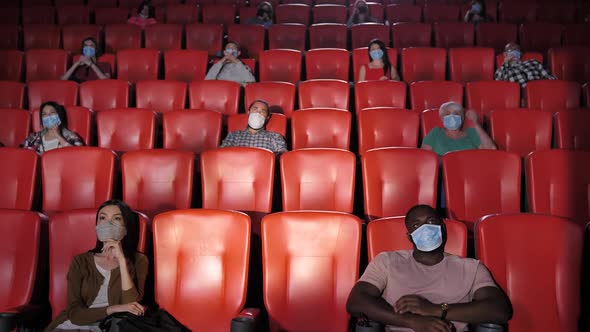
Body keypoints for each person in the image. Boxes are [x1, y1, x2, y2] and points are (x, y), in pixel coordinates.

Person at [347, 205, 512, 332]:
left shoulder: (471, 267)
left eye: (431, 221)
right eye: (416, 225)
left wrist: (433, 309)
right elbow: (356, 302)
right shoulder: (387, 261)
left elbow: (499, 310)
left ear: (442, 227)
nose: (425, 229)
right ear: (409, 236)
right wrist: (412, 321)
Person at [45, 200, 149, 331]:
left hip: (112, 326)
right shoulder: (80, 261)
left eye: (116, 218)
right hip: (74, 325)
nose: (108, 223)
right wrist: (112, 309)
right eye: (102, 218)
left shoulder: (139, 260)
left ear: (126, 226)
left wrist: (122, 261)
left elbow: (132, 305)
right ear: (96, 225)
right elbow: (74, 313)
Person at [421, 102, 496, 157]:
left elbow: (492, 150)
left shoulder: (471, 132)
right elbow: (425, 158)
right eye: (447, 114)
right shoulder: (436, 133)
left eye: (456, 114)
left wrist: (476, 124)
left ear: (462, 118)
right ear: (441, 118)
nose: (452, 117)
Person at [220, 100, 287, 154]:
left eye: (262, 111)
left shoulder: (275, 137)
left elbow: (283, 157)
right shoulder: (234, 135)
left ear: (267, 117)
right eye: (255, 109)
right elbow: (221, 154)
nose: (258, 113)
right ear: (248, 113)